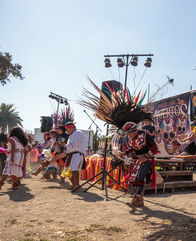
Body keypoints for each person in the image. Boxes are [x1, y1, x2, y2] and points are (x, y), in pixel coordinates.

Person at [81, 77, 159, 209]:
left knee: (139, 178)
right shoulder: (131, 139)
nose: (129, 135)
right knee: (134, 179)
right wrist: (122, 154)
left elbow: (155, 148)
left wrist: (146, 156)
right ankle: (140, 200)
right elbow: (129, 149)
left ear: (134, 129)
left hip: (146, 160)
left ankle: (135, 200)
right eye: (128, 134)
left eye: (130, 133)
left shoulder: (145, 135)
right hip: (137, 160)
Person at [51, 122, 85, 190]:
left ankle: (77, 185)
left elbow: (78, 141)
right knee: (67, 171)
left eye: (67, 129)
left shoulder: (78, 132)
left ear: (72, 127)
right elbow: (68, 148)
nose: (66, 131)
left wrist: (67, 146)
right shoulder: (71, 136)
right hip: (70, 155)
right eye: (66, 129)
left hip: (77, 154)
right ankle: (74, 185)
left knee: (74, 169)